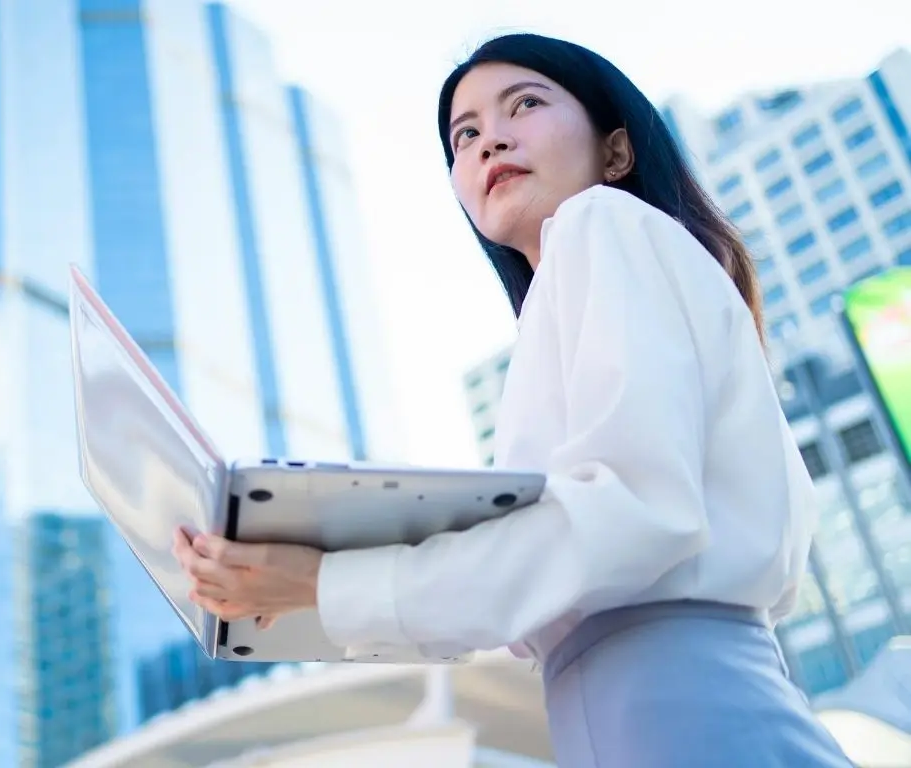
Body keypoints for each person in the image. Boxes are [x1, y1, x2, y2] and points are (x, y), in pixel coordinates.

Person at [172, 32, 856, 768]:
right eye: (463, 137)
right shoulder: (570, 304)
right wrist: (317, 580)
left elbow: (630, 513)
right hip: (664, 712)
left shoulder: (604, 222)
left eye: (523, 105)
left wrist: (326, 583)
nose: (489, 140)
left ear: (616, 152)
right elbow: (548, 588)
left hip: (684, 711)